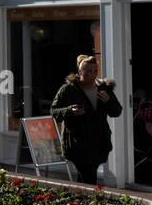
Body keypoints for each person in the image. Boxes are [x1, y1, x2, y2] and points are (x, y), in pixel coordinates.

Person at [50, 54, 122, 185]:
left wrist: (108, 101)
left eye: (95, 71)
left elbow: (117, 111)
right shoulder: (69, 90)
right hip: (77, 142)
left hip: (98, 141)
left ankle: (79, 200)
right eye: (89, 71)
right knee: (88, 175)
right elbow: (54, 111)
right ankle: (93, 201)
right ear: (80, 72)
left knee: (85, 176)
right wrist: (70, 111)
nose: (93, 74)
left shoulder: (103, 88)